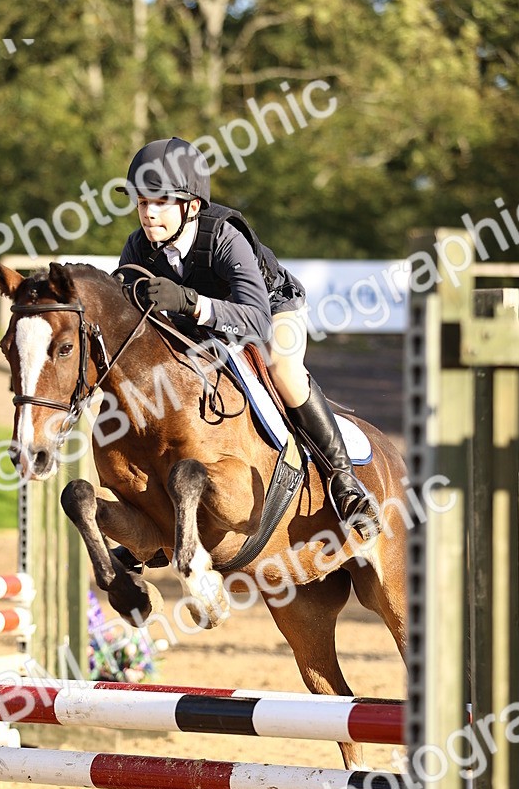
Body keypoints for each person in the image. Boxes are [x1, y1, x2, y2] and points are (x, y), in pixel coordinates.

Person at [116, 136, 381, 543]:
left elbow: (256, 320)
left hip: (273, 308)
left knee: (284, 369)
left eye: (161, 202)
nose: (148, 214)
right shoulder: (139, 247)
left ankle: (344, 482)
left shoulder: (224, 235)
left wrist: (190, 302)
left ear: (191, 206)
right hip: (202, 327)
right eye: (142, 202)